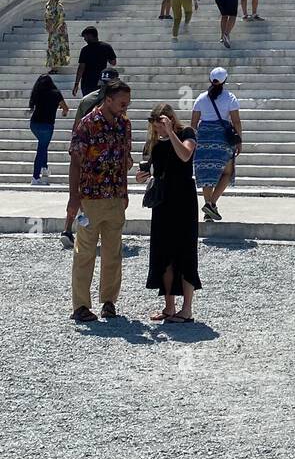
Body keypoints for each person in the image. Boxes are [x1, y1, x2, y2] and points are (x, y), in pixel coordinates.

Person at [68, 79, 133, 322]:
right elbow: (75, 161)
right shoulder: (87, 124)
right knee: (84, 252)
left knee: (113, 253)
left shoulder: (124, 125)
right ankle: (81, 306)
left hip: (115, 197)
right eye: (122, 103)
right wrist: (73, 198)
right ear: (108, 100)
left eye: (127, 103)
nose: (125, 107)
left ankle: (108, 302)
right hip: (89, 198)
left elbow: (125, 159)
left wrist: (125, 192)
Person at [136, 103, 201, 323]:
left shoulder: (186, 133)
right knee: (163, 253)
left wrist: (171, 132)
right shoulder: (154, 143)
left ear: (171, 119)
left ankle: (187, 308)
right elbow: (154, 169)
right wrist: (142, 175)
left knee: (185, 251)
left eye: (161, 125)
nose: (158, 130)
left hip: (183, 198)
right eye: (156, 126)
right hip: (163, 201)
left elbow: (185, 155)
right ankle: (169, 306)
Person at [62, 66, 121, 247]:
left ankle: (69, 229)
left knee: (81, 193)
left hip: (88, 152)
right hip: (98, 155)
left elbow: (76, 126)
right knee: (89, 194)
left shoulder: (88, 100)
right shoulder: (113, 103)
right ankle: (76, 229)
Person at [191, 67, 241, 222]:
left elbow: (193, 124)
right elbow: (236, 121)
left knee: (207, 174)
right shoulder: (230, 97)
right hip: (222, 137)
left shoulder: (201, 98)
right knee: (227, 172)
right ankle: (211, 204)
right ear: (225, 80)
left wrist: (192, 142)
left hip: (204, 136)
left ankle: (209, 208)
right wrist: (239, 140)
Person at [28, 74, 69, 187]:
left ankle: (44, 168)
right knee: (42, 148)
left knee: (43, 145)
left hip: (34, 124)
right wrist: (64, 113)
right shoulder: (55, 93)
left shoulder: (37, 93)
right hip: (47, 125)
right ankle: (35, 177)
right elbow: (65, 108)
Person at [72, 27, 118, 99]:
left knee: (88, 103)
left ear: (90, 36)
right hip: (102, 80)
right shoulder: (106, 47)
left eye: (85, 37)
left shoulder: (85, 50)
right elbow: (113, 62)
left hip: (87, 82)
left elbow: (81, 67)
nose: (84, 39)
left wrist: (76, 84)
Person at [44, 0, 70, 74]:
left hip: (58, 30)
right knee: (51, 47)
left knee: (56, 48)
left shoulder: (58, 5)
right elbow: (46, 17)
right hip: (51, 30)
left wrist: (55, 27)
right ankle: (52, 66)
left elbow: (62, 17)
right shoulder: (47, 4)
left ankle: (55, 67)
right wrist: (47, 26)